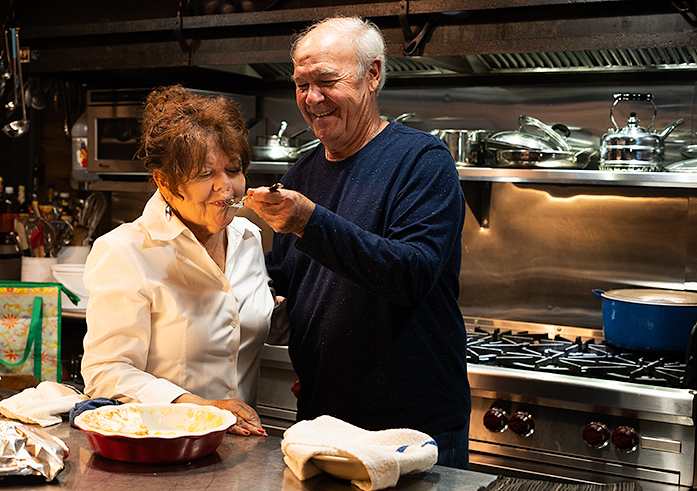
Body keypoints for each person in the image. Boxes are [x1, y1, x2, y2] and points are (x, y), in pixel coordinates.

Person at [245, 17, 471, 467]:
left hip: (414, 426)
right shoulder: (301, 173)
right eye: (301, 84)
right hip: (323, 422)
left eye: (326, 80)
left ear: (372, 75)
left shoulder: (423, 160)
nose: (311, 99)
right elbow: (283, 278)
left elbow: (411, 273)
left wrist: (310, 221)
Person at [81, 85, 271, 436]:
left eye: (233, 169)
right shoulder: (125, 251)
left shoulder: (248, 239)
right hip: (162, 449)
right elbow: (106, 371)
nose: (225, 186)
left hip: (242, 452)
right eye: (204, 174)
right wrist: (200, 408)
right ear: (165, 183)